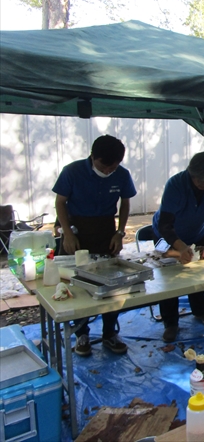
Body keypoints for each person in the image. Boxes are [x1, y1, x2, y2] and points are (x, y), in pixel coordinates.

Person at [53, 135, 136, 356]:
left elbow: (125, 202)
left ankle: (110, 333)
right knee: (78, 284)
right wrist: (68, 234)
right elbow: (60, 202)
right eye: (104, 166)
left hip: (106, 231)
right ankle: (81, 334)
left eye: (113, 166)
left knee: (111, 284)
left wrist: (119, 233)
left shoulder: (122, 174)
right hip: (77, 230)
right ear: (93, 157)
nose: (108, 170)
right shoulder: (72, 171)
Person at [152, 152, 204, 342]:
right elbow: (165, 225)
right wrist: (180, 247)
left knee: (199, 273)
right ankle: (171, 323)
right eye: (203, 182)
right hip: (170, 236)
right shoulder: (175, 185)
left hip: (198, 232)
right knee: (169, 279)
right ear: (191, 175)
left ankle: (200, 310)